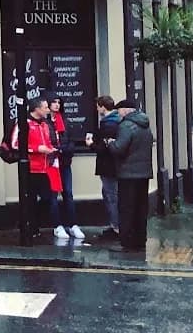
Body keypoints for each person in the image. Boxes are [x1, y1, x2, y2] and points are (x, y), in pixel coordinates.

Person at [105, 99, 153, 252]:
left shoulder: (126, 125)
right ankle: (140, 240)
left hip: (128, 174)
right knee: (141, 208)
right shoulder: (145, 124)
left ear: (125, 110)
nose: (118, 114)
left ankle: (126, 242)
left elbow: (119, 148)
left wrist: (110, 143)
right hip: (144, 173)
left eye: (119, 111)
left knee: (126, 208)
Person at [12, 96, 62, 239]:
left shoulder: (46, 125)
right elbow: (15, 144)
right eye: (45, 107)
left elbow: (51, 141)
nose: (48, 110)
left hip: (45, 167)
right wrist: (36, 149)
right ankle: (30, 227)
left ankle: (33, 224)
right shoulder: (24, 124)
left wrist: (52, 149)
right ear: (37, 109)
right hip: (31, 168)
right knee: (30, 199)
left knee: (47, 198)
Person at [47, 95, 84, 240]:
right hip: (51, 164)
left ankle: (73, 225)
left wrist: (62, 150)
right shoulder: (45, 122)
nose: (56, 105)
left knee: (68, 193)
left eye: (58, 103)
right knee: (53, 195)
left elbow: (71, 142)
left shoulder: (65, 122)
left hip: (64, 162)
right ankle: (57, 226)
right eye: (53, 102)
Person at [89, 95, 121, 239]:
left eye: (97, 106)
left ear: (103, 106)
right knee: (112, 194)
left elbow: (103, 148)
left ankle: (116, 227)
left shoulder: (107, 124)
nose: (96, 108)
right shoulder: (117, 121)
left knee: (111, 196)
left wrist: (91, 144)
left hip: (108, 166)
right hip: (116, 165)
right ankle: (117, 225)